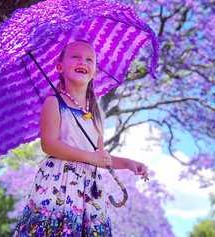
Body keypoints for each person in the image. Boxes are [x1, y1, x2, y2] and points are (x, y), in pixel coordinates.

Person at [13, 40, 148, 237]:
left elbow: (99, 156)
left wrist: (128, 163)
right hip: (59, 183)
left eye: (89, 60)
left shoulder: (95, 112)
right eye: (75, 57)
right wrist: (90, 157)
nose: (82, 62)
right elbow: (49, 145)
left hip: (88, 189)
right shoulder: (54, 102)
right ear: (60, 67)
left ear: (94, 71)